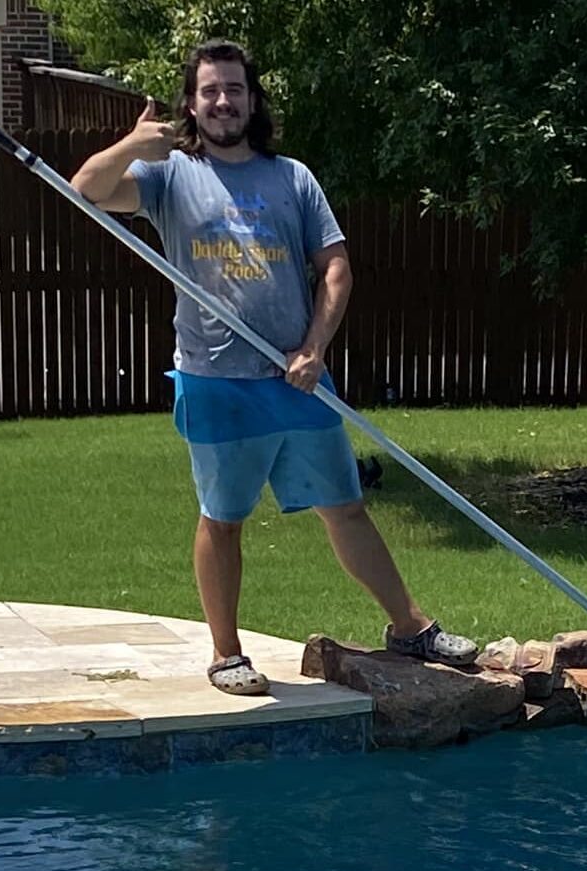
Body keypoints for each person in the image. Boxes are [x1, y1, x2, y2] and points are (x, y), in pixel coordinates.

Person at [70, 39, 478, 695]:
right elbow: (84, 190)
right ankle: (226, 654)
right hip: (216, 381)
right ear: (191, 104)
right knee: (222, 519)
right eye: (209, 91)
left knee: (345, 508)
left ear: (252, 99)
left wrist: (315, 348)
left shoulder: (292, 178)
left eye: (233, 89)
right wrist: (133, 145)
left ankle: (410, 627)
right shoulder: (168, 176)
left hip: (298, 379)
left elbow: (336, 267)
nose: (222, 101)